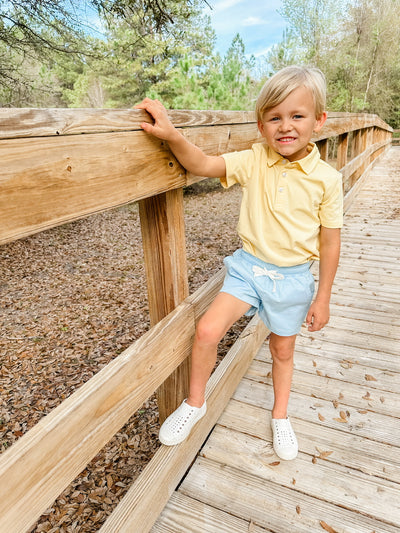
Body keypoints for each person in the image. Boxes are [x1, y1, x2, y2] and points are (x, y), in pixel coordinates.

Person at [135, 65, 342, 460]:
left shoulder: (327, 180)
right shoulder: (254, 160)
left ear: (319, 121)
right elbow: (202, 165)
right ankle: (195, 403)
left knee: (282, 351)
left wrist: (324, 297)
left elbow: (330, 242)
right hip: (249, 269)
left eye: (297, 116)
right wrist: (173, 134)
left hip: (294, 279)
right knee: (207, 330)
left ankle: (280, 416)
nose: (286, 126)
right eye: (274, 117)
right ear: (261, 125)